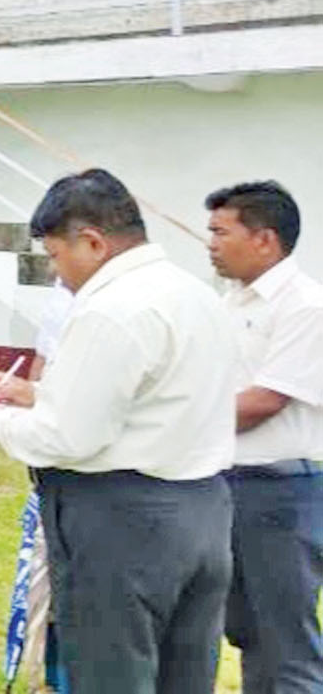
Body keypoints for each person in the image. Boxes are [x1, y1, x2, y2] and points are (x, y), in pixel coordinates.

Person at [0, 168, 236, 694]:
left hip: (124, 521)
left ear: (93, 242)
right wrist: (38, 396)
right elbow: (149, 399)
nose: (56, 273)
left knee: (112, 676)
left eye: (56, 255)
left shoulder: (112, 307)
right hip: (203, 510)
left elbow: (66, 438)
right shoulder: (197, 295)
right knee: (184, 677)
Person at [206, 180, 323, 694]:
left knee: (286, 643)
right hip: (229, 484)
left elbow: (263, 402)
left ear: (264, 239)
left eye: (221, 232)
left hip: (282, 492)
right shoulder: (230, 301)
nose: (210, 243)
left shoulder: (305, 306)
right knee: (249, 631)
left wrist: (171, 421)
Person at [3, 279, 74, 694]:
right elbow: (41, 364)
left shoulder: (110, 307)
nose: (54, 265)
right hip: (50, 468)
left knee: (75, 589)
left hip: (87, 476)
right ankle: (45, 677)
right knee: (45, 582)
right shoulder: (60, 299)